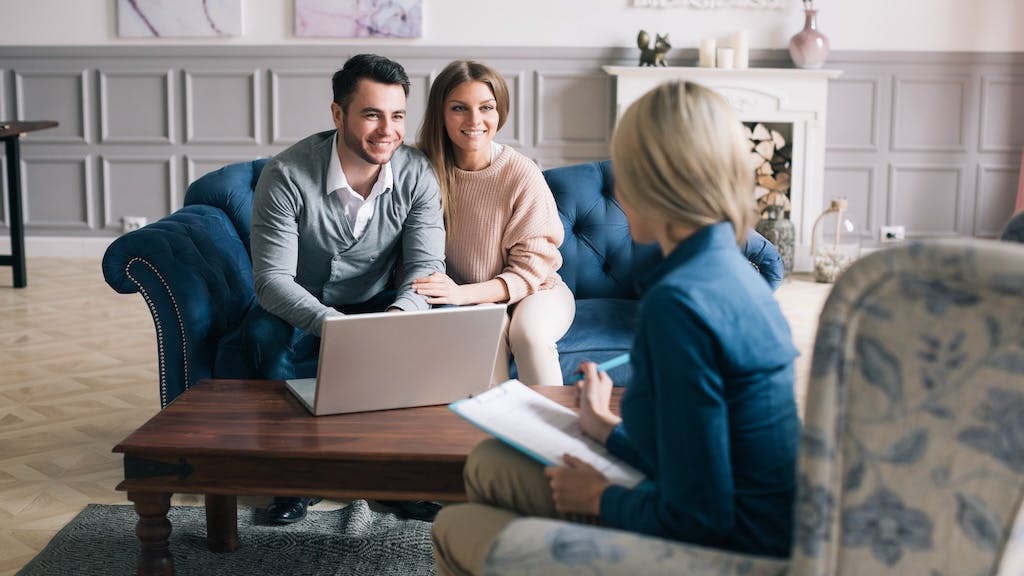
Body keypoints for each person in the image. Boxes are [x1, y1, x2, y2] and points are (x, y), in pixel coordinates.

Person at [431, 80, 800, 575]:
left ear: (656, 181)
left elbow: (700, 516)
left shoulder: (680, 304)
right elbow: (697, 452)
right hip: (736, 517)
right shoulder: (723, 270)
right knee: (489, 464)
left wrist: (600, 499)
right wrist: (607, 431)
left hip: (731, 551)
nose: (618, 190)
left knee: (454, 527)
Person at [248, 54, 445, 524]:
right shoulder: (287, 175)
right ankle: (291, 481)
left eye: (397, 116)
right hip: (298, 304)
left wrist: (396, 320)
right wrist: (334, 327)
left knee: (416, 350)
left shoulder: (417, 175)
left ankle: (396, 478)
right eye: (372, 114)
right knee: (264, 346)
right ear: (338, 115)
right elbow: (272, 280)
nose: (387, 131)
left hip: (380, 305)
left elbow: (426, 267)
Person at [413, 60, 575, 387]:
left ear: (500, 111)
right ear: (441, 114)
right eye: (459, 108)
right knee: (486, 330)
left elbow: (530, 273)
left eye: (486, 107)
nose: (475, 120)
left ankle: (554, 435)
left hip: (538, 290)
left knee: (528, 334)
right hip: (473, 296)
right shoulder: (421, 169)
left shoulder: (520, 173)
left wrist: (461, 294)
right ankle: (497, 430)